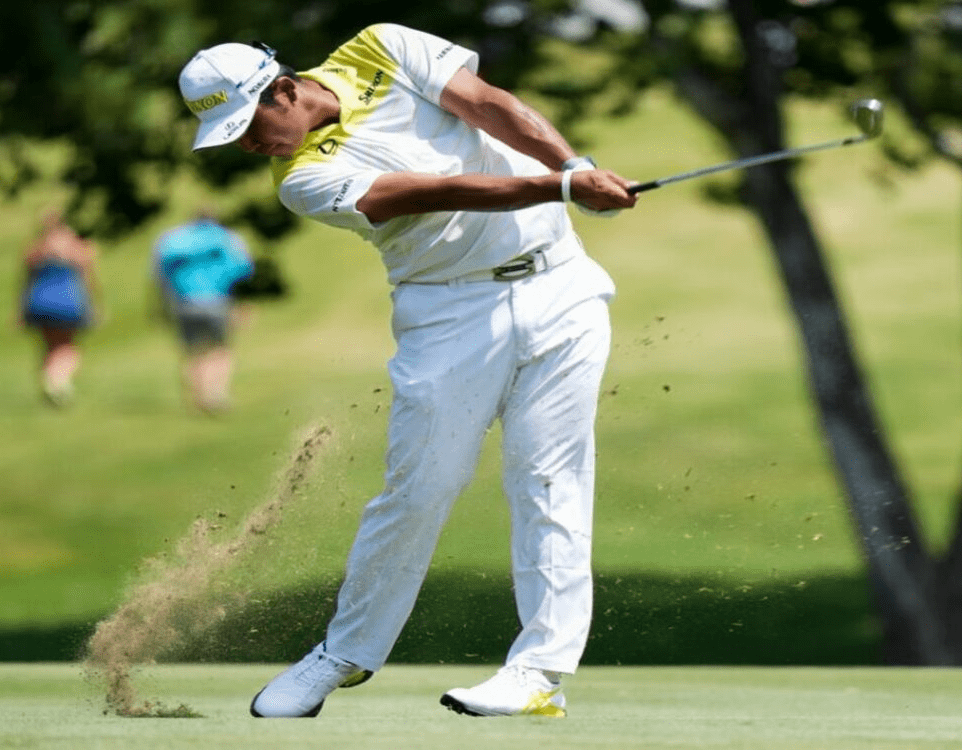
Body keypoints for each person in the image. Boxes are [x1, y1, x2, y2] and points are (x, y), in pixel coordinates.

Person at [178, 23, 638, 718]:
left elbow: (487, 105)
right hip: (448, 315)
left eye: (247, 124)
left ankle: (540, 669)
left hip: (561, 286)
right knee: (420, 487)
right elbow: (433, 190)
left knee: (549, 477)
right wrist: (561, 186)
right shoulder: (301, 181)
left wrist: (575, 167)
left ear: (283, 88)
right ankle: (344, 653)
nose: (248, 145)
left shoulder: (380, 47)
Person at [152, 212, 255, 414]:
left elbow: (160, 275)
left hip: (183, 302)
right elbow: (243, 271)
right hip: (216, 300)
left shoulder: (173, 240)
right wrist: (243, 304)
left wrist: (161, 306)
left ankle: (198, 396)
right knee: (220, 348)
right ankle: (215, 394)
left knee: (192, 352)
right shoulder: (226, 238)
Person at [19, 212, 99, 407]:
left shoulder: (35, 250)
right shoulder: (76, 247)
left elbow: (25, 282)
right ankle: (58, 381)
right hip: (68, 303)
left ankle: (49, 378)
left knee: (48, 346)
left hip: (38, 302)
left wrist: (20, 310)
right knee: (68, 347)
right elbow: (87, 278)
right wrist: (94, 304)